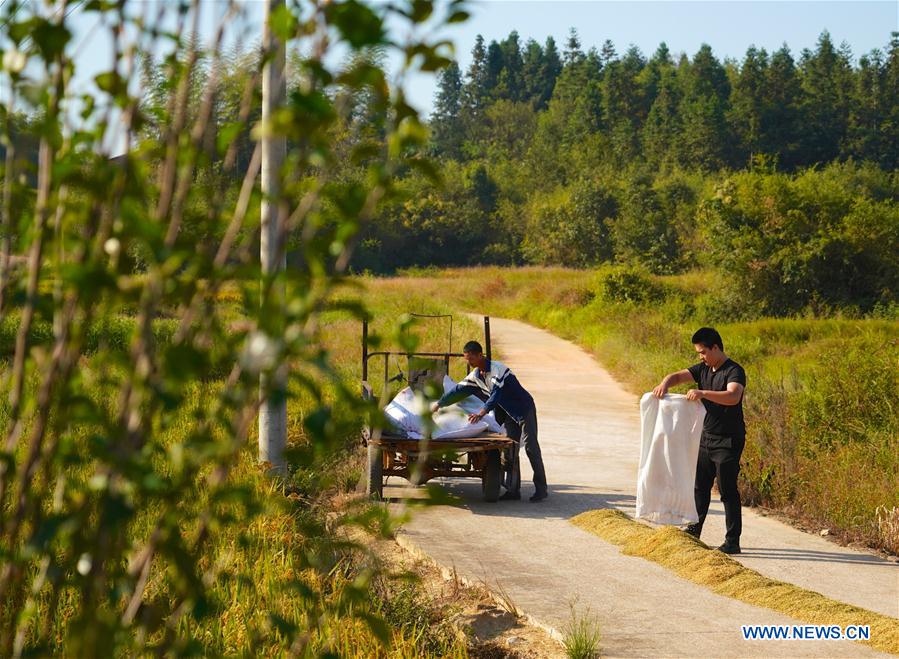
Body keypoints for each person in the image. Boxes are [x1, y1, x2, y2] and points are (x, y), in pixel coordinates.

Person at [652, 327, 746, 554]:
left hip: (728, 440)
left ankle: (732, 541)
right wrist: (665, 383)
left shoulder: (734, 371)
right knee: (700, 487)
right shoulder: (703, 369)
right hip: (706, 438)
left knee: (727, 490)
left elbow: (733, 396)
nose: (701, 357)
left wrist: (703, 393)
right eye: (698, 353)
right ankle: (694, 531)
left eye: (703, 352)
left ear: (716, 347)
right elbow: (677, 376)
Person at [431, 340, 548, 502]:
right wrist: (439, 403)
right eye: (467, 359)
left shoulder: (497, 369)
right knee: (510, 451)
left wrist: (481, 413)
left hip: (524, 409)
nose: (469, 362)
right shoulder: (476, 375)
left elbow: (495, 395)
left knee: (531, 448)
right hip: (509, 414)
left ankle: (541, 489)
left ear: (480, 355)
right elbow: (458, 390)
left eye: (471, 359)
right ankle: (513, 491)